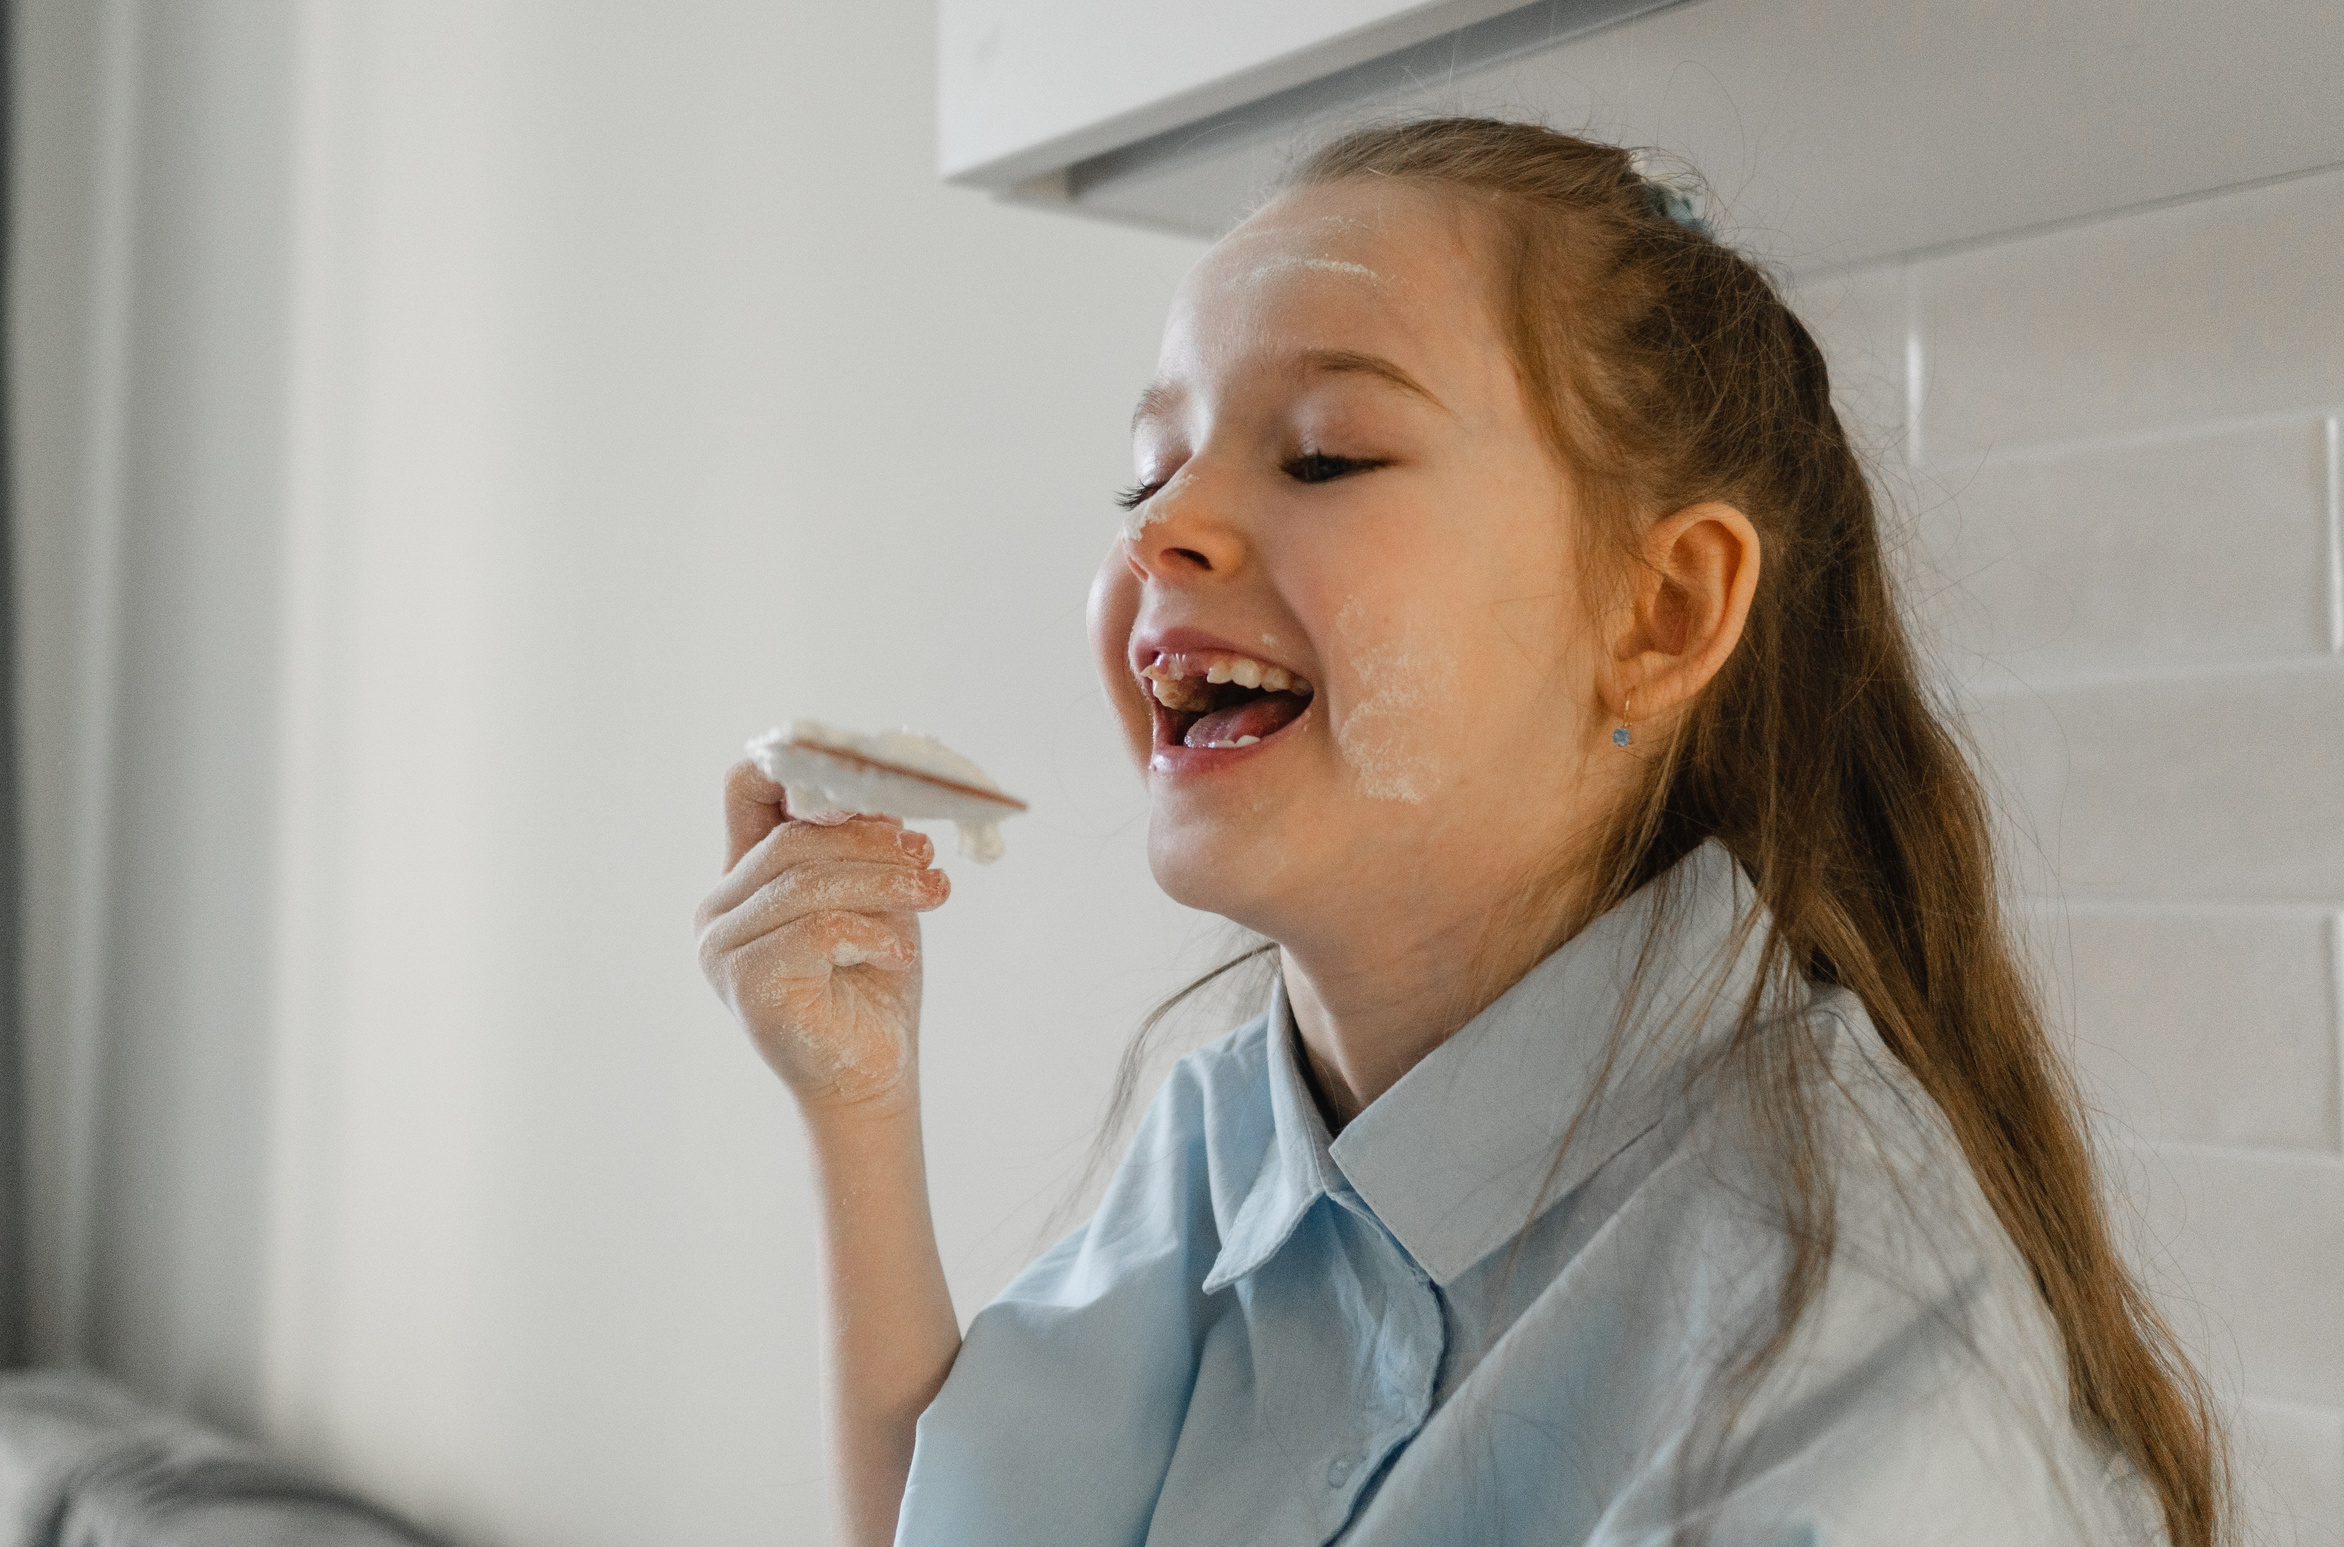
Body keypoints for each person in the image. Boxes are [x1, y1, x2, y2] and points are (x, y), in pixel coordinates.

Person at [693, 118, 2223, 1547]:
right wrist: (859, 1109)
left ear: (1661, 611)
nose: (1157, 530)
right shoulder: (1237, 1132)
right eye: (1148, 473)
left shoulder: (1845, 1344)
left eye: (1324, 455)